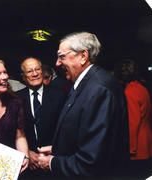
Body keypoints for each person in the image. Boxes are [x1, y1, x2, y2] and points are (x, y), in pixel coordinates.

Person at [37, 32, 129, 179]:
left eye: (62, 56)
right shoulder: (86, 84)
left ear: (83, 56)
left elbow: (92, 160)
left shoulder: (99, 89)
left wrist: (52, 163)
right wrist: (58, 149)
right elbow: (84, 133)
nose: (57, 63)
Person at [17, 57, 66, 179]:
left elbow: (65, 129)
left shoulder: (59, 95)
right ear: (23, 76)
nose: (34, 74)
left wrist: (54, 153)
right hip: (28, 163)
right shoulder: (16, 99)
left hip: (53, 160)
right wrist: (27, 152)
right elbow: (14, 131)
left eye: (37, 69)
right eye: (29, 71)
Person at [114, 59, 152, 179]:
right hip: (147, 142)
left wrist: (130, 149)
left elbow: (132, 123)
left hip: (138, 147)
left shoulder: (130, 91)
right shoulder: (141, 87)